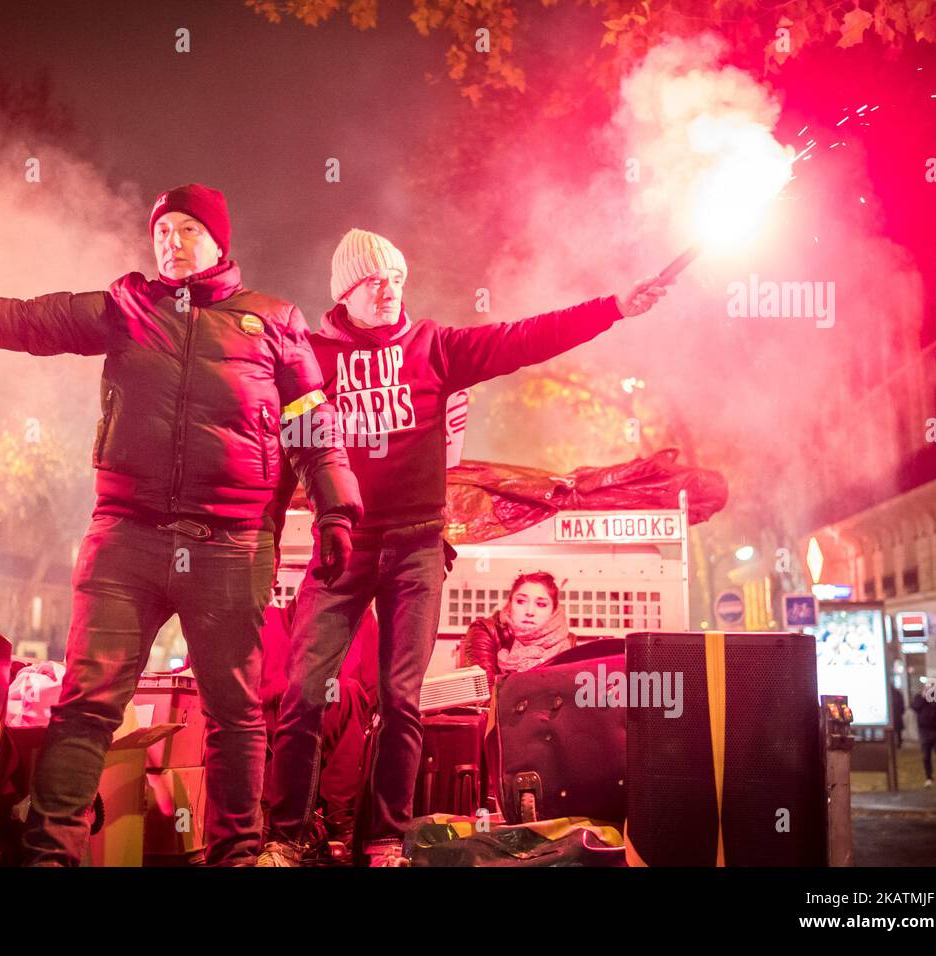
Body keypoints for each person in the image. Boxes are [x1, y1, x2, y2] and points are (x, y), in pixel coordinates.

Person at [0, 183, 362, 866]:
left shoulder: (273, 320)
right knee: (85, 705)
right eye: (162, 231)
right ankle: (51, 857)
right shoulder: (127, 308)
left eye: (188, 229)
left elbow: (312, 420)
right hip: (126, 538)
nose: (172, 242)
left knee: (237, 715)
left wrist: (336, 506)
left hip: (233, 543)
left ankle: (237, 855)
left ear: (220, 242)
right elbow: (23, 320)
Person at [260, 228, 666, 867]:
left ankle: (387, 837)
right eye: (375, 281)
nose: (390, 290)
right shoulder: (312, 359)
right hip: (341, 543)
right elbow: (281, 448)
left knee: (400, 698)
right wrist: (257, 534)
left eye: (398, 278)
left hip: (417, 547)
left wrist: (613, 306)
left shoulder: (434, 348)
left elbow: (523, 337)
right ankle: (288, 834)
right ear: (345, 292)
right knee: (304, 692)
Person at [259, 601, 378, 855]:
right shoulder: (266, 620)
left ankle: (336, 818)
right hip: (273, 733)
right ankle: (289, 822)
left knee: (348, 691)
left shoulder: (361, 619)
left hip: (330, 733)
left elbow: (373, 696)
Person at [460, 572, 576, 688]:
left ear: (553, 611)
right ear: (510, 603)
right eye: (521, 601)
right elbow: (485, 696)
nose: (530, 612)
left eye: (541, 604)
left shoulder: (563, 640)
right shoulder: (486, 631)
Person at [890, 682, 905, 749]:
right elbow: (902, 705)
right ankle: (898, 743)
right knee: (898, 731)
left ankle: (894, 743)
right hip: (897, 715)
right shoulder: (898, 693)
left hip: (894, 715)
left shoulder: (889, 694)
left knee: (892, 730)